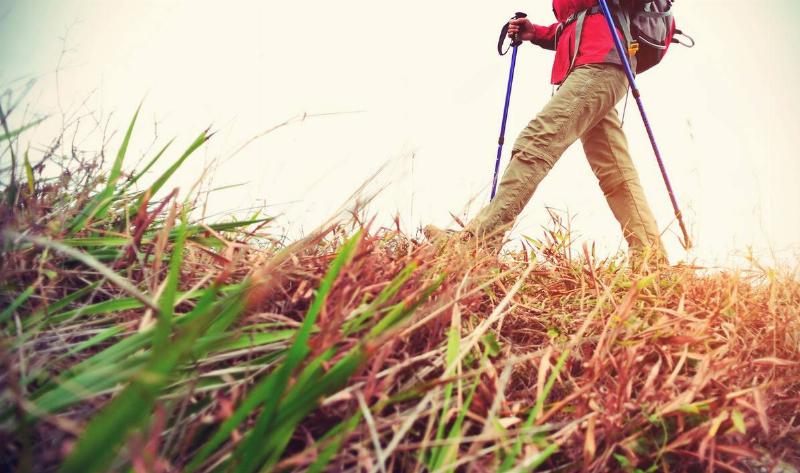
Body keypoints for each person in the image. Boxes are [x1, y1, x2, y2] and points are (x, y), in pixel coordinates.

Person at [427, 1, 668, 265]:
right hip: (592, 65)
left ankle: (477, 244)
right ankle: (652, 261)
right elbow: (580, 22)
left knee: (537, 142)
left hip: (600, 65)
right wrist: (537, 33)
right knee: (615, 171)